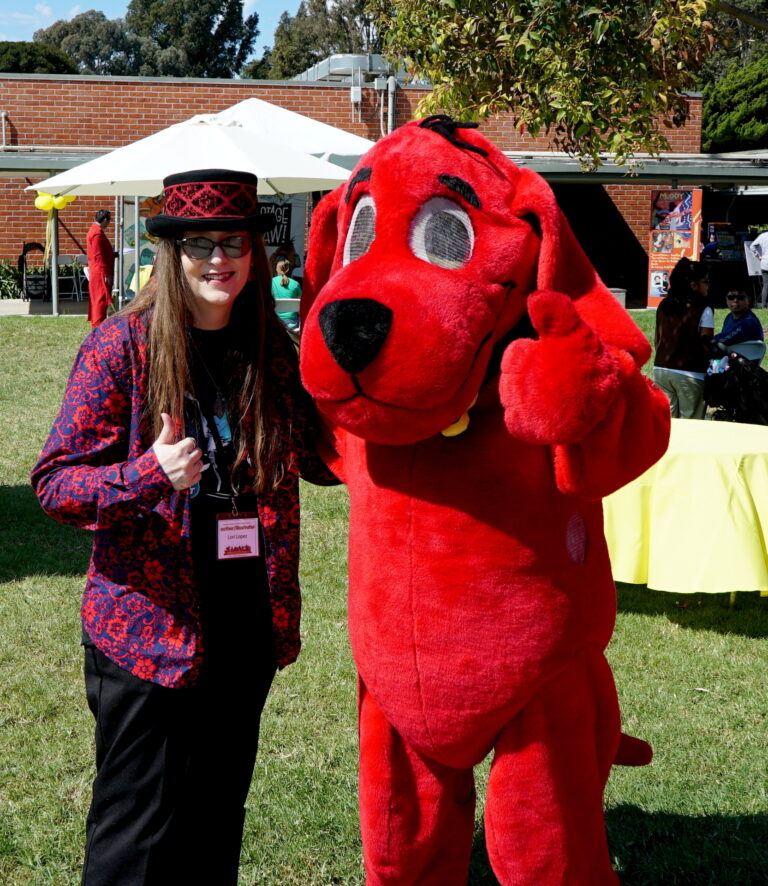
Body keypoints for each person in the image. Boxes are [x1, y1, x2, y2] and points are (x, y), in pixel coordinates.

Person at [31, 169, 335, 886]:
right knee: (137, 833)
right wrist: (146, 474)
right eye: (199, 244)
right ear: (172, 253)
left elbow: (320, 455)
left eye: (233, 242)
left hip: (245, 616)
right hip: (147, 627)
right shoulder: (120, 347)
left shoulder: (268, 348)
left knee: (214, 819)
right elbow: (55, 486)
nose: (218, 258)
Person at [652, 257, 714, 419]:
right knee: (691, 424)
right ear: (693, 285)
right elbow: (707, 345)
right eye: (706, 281)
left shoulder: (664, 304)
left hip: (661, 368)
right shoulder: (704, 308)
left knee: (668, 423)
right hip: (691, 373)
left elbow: (657, 337)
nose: (708, 285)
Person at [86, 209, 116, 327]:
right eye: (108, 221)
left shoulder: (94, 231)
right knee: (100, 299)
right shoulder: (97, 233)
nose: (108, 224)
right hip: (100, 272)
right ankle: (98, 325)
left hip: (97, 270)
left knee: (98, 298)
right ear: (104, 220)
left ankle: (98, 324)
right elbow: (98, 255)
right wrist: (106, 274)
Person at [271, 257, 301, 334]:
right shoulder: (296, 284)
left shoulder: (271, 282)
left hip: (274, 323)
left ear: (277, 269)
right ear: (290, 270)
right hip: (293, 325)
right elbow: (301, 306)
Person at [750, 229, 768, 308]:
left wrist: (758, 256)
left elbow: (752, 246)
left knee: (766, 285)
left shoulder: (763, 235)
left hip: (765, 263)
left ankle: (764, 305)